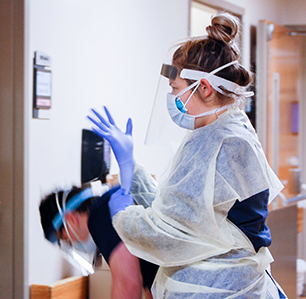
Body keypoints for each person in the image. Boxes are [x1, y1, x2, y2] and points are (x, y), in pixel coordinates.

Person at [89, 13, 287, 299]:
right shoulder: (228, 129)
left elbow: (166, 234)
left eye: (175, 90)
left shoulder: (216, 143)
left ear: (203, 88)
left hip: (216, 288)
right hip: (233, 283)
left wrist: (123, 215)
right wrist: (132, 169)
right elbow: (186, 212)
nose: (171, 99)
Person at [39, 183, 159, 299]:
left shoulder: (99, 216)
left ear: (71, 220)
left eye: (65, 240)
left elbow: (128, 284)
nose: (73, 245)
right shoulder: (109, 205)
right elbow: (151, 285)